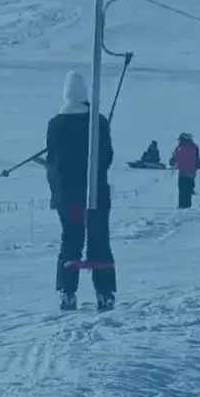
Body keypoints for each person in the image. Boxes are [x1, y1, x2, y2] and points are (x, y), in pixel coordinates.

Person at [45, 70, 116, 311]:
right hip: (95, 192)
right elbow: (106, 157)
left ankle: (67, 292)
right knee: (99, 242)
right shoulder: (99, 121)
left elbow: (53, 161)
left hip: (68, 197)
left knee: (71, 240)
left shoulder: (56, 123)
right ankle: (105, 293)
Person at [169, 132, 200, 209]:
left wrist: (173, 161)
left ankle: (183, 206)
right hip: (189, 173)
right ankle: (186, 207)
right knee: (186, 191)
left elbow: (174, 159)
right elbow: (197, 160)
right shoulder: (194, 147)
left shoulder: (179, 148)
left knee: (183, 190)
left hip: (183, 173)